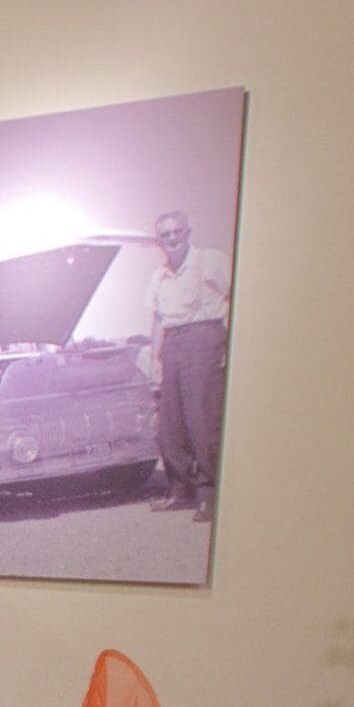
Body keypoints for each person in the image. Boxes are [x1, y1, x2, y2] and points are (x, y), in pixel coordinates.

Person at [142, 211, 232, 521]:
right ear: (159, 241)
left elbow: (235, 295)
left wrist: (229, 344)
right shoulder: (159, 277)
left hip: (204, 338)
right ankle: (180, 490)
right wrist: (156, 361)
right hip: (173, 344)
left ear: (188, 231)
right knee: (170, 424)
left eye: (177, 231)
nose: (172, 238)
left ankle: (209, 494)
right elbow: (157, 321)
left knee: (201, 420)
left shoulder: (211, 260)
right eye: (165, 234)